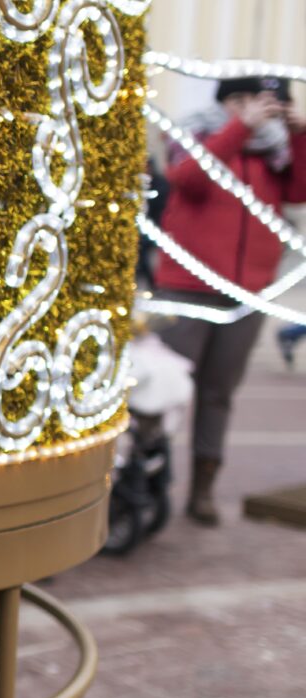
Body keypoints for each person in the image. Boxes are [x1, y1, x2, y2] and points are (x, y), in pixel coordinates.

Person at [154, 76, 306, 525]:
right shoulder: (195, 136)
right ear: (225, 102)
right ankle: (145, 482)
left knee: (219, 393)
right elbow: (187, 178)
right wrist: (239, 128)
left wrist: (299, 136)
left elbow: (300, 192)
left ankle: (203, 487)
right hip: (186, 287)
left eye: (267, 105)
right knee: (165, 393)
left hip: (247, 294)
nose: (255, 111)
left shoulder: (274, 153)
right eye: (243, 100)